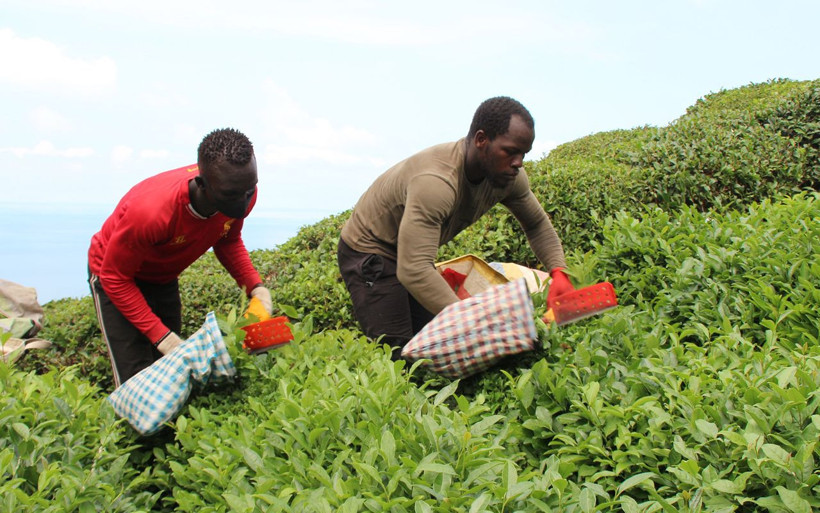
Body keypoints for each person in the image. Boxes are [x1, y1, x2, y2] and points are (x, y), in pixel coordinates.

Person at [337, 96, 575, 360]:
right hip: (370, 253)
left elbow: (536, 224)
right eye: (509, 151)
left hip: (412, 254)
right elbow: (413, 269)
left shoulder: (509, 177)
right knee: (399, 355)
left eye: (523, 154)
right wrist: (472, 321)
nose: (518, 162)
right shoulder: (436, 182)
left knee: (436, 343)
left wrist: (558, 271)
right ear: (481, 140)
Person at [88, 128, 272, 387]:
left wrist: (257, 288)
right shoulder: (152, 213)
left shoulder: (240, 189)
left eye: (250, 189)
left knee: (171, 372)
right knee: (136, 382)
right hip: (115, 276)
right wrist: (164, 338)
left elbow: (227, 239)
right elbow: (115, 277)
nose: (244, 202)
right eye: (232, 195)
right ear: (202, 184)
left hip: (162, 277)